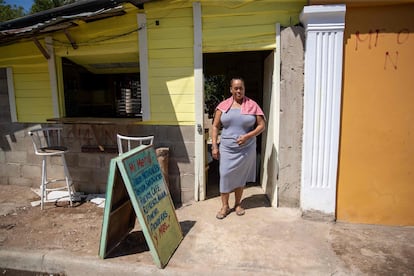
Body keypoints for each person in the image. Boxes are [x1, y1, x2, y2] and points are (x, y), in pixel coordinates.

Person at [211, 77, 266, 219]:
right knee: (225, 175)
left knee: (240, 177)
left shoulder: (252, 105)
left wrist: (247, 136)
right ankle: (224, 206)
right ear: (231, 90)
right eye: (235, 88)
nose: (239, 90)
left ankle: (238, 204)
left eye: (241, 87)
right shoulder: (223, 106)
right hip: (227, 148)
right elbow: (215, 126)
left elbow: (261, 126)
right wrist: (215, 147)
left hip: (246, 148)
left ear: (244, 89)